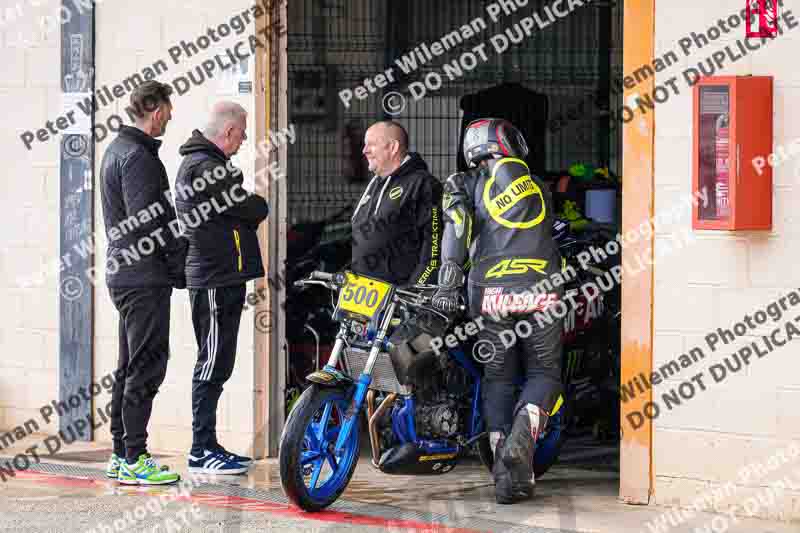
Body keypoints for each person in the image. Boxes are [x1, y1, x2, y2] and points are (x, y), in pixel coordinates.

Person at [432, 118, 564, 504]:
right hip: (541, 290)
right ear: (510, 143)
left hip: (490, 294)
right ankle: (525, 431)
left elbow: (456, 227)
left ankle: (506, 479)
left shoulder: (464, 183)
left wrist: (448, 278)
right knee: (543, 373)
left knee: (498, 379)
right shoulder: (538, 186)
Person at [174, 102, 269, 474]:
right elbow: (248, 207)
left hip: (222, 278)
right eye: (242, 135)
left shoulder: (209, 166)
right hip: (213, 279)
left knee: (218, 362)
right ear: (228, 132)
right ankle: (201, 449)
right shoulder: (204, 168)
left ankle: (208, 445)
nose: (243, 142)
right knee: (212, 362)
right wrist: (256, 202)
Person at [100, 80, 188, 485]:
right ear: (156, 110)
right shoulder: (139, 157)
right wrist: (177, 263)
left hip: (127, 275)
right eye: (168, 109)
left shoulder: (117, 150)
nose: (170, 116)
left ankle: (122, 454)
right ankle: (135, 456)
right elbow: (146, 223)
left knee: (130, 364)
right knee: (147, 365)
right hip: (142, 276)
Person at [351, 121, 442, 286]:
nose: (364, 151)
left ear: (393, 147)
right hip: (363, 296)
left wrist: (415, 290)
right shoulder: (374, 186)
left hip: (400, 300)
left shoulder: (423, 184)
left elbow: (434, 249)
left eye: (371, 144)